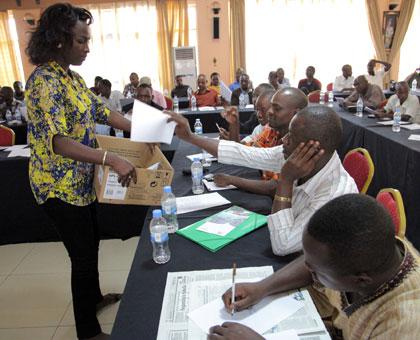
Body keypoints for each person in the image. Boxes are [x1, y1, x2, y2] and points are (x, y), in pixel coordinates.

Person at [24, 4, 149, 339]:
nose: (87, 47)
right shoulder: (45, 83)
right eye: (81, 40)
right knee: (81, 256)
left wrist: (147, 128)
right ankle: (88, 333)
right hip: (56, 187)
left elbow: (105, 113)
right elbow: (59, 142)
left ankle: (93, 299)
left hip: (79, 183)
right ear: (60, 40)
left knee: (91, 243)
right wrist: (111, 159)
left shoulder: (72, 78)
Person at [209, 194, 420, 340]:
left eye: (316, 272)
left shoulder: (404, 324)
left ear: (360, 280)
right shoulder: (369, 250)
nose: (309, 272)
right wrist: (262, 287)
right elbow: (317, 260)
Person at [166, 105, 357, 256]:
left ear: (314, 148)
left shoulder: (335, 194)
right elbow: (244, 153)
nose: (284, 140)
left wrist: (286, 180)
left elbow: (283, 245)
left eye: (292, 136)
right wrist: (190, 137)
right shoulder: (302, 154)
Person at [215, 87, 309, 195]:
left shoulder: (300, 143)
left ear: (295, 113)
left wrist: (231, 180)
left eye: (276, 108)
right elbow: (244, 151)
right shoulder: (270, 130)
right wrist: (234, 124)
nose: (270, 112)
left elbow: (275, 187)